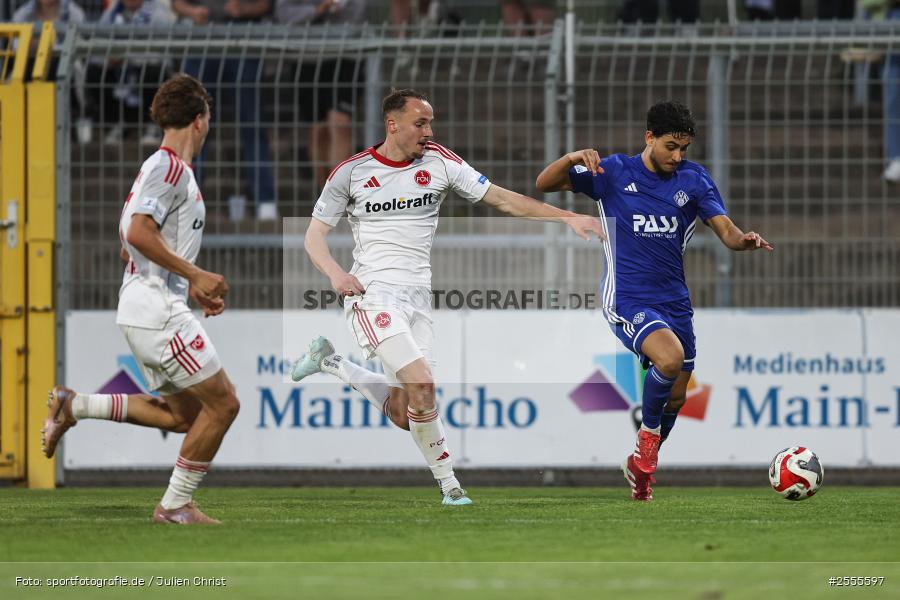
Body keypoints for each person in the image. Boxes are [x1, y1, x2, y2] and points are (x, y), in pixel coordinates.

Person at [291, 88, 603, 506]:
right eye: (420, 123)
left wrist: (566, 216)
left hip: (419, 299)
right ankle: (450, 486)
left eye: (430, 123)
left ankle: (330, 362)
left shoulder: (439, 161)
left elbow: (501, 199)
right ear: (393, 124)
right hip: (373, 295)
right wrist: (336, 275)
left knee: (407, 412)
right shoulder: (351, 172)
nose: (428, 131)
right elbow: (313, 237)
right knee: (424, 384)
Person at [535, 100, 773, 501]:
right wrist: (573, 157)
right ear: (649, 138)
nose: (677, 156)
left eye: (683, 149)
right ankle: (647, 444)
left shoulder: (694, 180)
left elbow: (727, 232)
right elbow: (545, 183)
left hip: (675, 302)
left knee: (677, 395)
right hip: (627, 296)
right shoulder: (613, 172)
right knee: (668, 358)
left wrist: (743, 240)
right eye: (670, 147)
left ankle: (640, 464)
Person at [42, 74, 239, 524]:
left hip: (147, 305)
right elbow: (135, 233)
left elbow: (129, 240)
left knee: (184, 417)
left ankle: (74, 405)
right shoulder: (170, 168)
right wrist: (194, 273)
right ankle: (174, 507)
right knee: (224, 404)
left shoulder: (160, 169)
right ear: (200, 121)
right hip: (157, 311)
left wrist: (188, 282)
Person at [175, 0, 278, 220]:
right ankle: (187, 200)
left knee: (252, 123)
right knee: (194, 125)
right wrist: (194, 12)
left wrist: (244, 9)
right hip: (203, 42)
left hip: (242, 40)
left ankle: (264, 199)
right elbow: (177, 4)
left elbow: (266, 5)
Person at [275, 0, 365, 190]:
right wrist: (317, 10)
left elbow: (358, 11)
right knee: (318, 129)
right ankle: (325, 195)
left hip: (345, 55)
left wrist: (336, 9)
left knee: (340, 123)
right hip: (305, 57)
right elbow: (284, 13)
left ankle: (339, 196)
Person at [88, 0, 175, 146]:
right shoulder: (111, 14)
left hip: (147, 69)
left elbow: (162, 53)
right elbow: (96, 47)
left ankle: (153, 126)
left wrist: (127, 55)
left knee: (153, 73)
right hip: (119, 71)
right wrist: (109, 58)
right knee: (94, 73)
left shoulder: (158, 13)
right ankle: (115, 124)